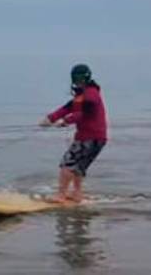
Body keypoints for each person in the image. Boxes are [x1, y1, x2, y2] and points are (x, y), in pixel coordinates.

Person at [39, 64, 107, 204]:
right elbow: (67, 108)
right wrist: (50, 118)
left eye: (81, 78)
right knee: (78, 167)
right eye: (75, 78)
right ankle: (77, 194)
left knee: (67, 164)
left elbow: (87, 112)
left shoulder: (91, 93)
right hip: (92, 138)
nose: (78, 80)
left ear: (87, 78)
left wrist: (66, 121)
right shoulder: (80, 95)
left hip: (91, 137)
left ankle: (61, 195)